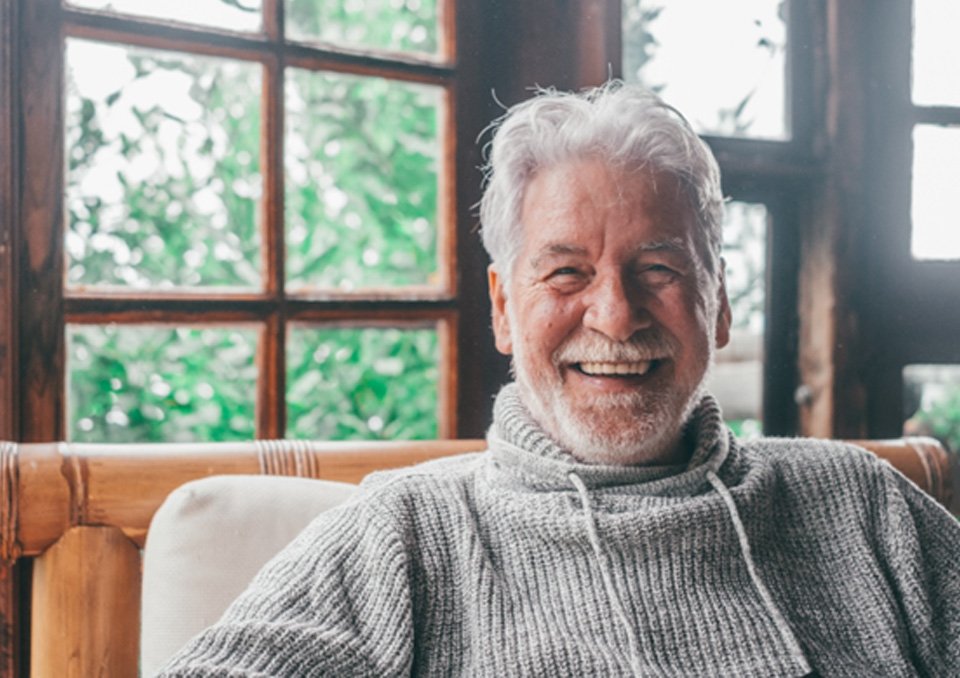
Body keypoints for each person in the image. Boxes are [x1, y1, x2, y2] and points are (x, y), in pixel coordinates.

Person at [160, 82, 960, 677]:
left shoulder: (865, 506)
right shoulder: (401, 535)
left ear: (718, 302)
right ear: (505, 308)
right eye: (567, 272)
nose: (615, 315)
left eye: (658, 268)